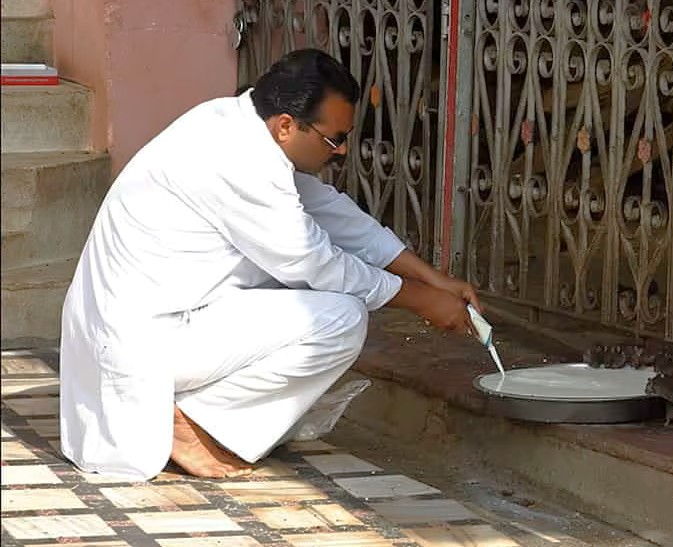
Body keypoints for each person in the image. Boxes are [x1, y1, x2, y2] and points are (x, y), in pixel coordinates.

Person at [59, 49, 481, 481]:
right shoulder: (237, 162)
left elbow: (330, 212)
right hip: (143, 341)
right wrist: (420, 300)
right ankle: (185, 426)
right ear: (286, 126)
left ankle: (189, 416)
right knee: (340, 317)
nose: (342, 151)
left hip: (154, 324)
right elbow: (315, 262)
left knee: (324, 299)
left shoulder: (234, 123)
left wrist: (432, 278)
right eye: (334, 139)